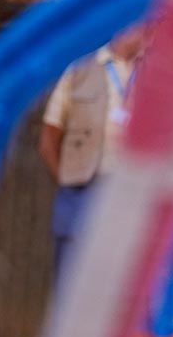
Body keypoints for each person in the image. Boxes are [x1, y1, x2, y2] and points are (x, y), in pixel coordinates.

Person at [38, 26, 145, 284]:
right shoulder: (81, 68)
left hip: (131, 198)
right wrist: (70, 180)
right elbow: (48, 139)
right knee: (71, 284)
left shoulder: (156, 74)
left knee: (122, 287)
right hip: (80, 196)